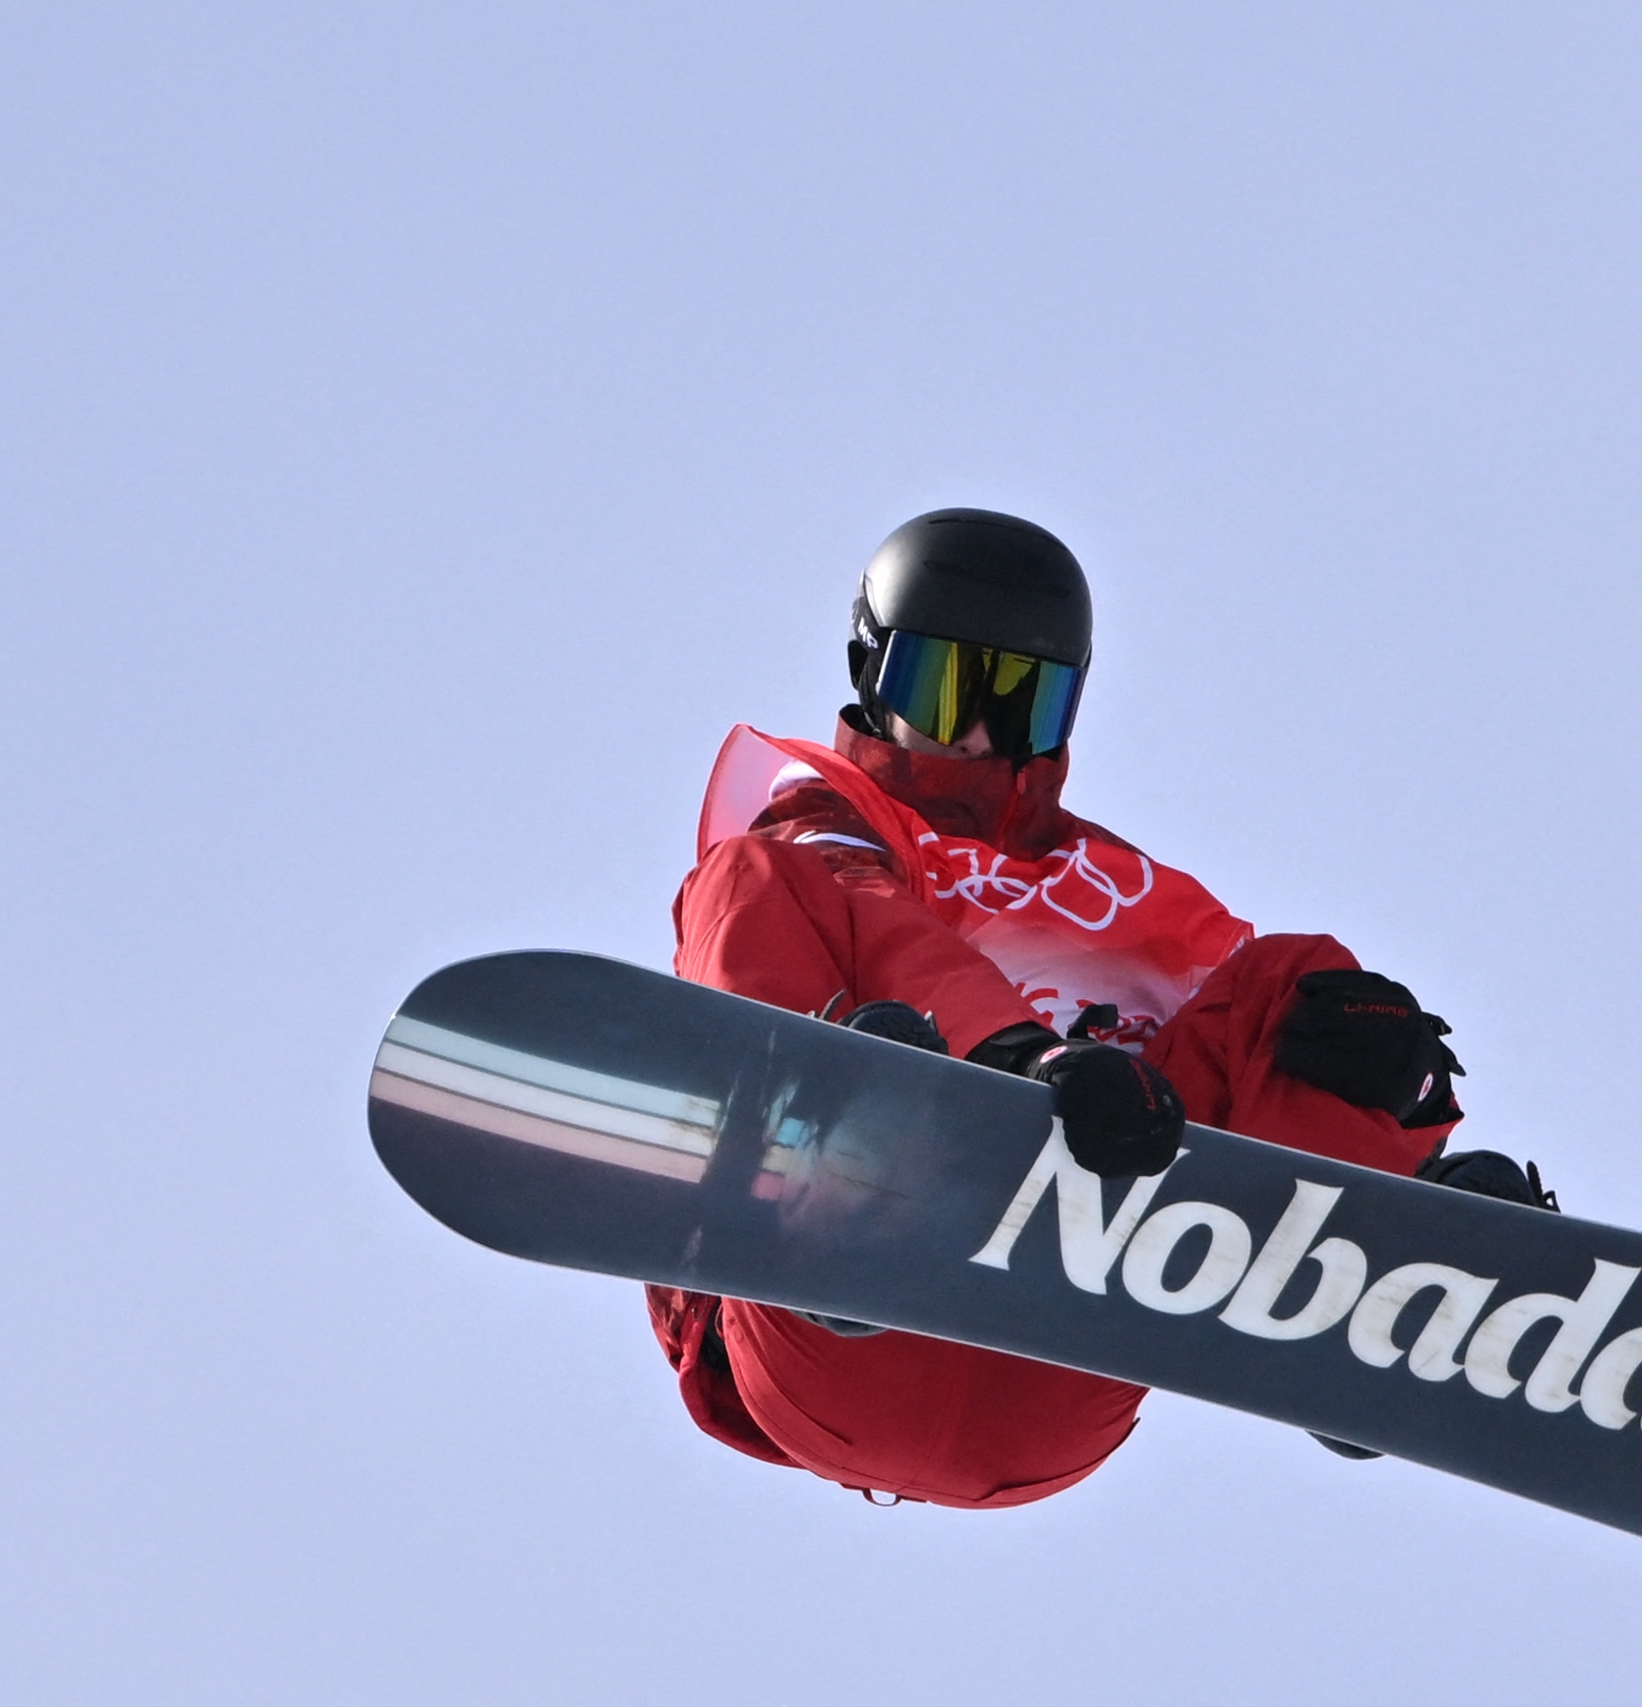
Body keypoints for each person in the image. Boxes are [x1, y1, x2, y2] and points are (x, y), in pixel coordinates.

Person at [644, 508, 1550, 1507]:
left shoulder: (1111, 892)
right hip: (840, 1346)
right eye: (944, 691)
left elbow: (1244, 1057)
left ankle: (1367, 1294)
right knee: (754, 878)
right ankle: (840, 1179)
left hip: (1061, 1369)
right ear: (873, 675)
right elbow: (883, 931)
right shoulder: (825, 826)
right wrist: (1015, 1060)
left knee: (1300, 988)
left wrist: (1399, 1110)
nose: (983, 735)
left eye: (1022, 699)